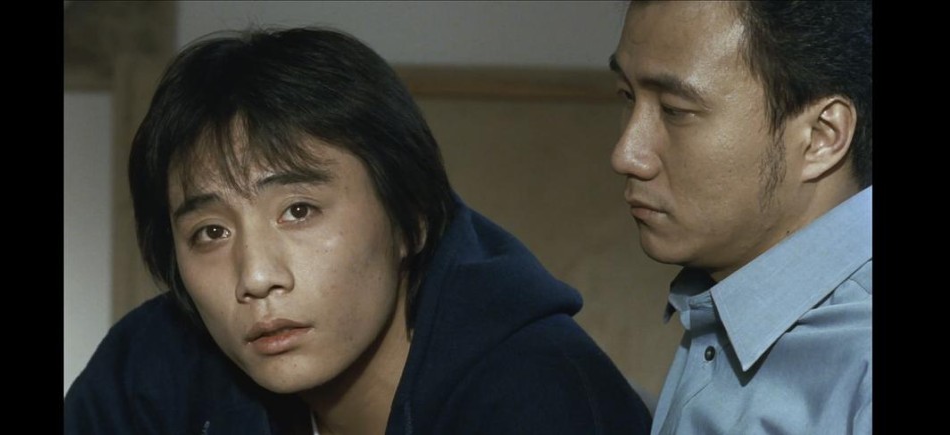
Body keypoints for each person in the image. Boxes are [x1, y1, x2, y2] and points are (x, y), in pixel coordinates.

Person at [64, 27, 652, 434]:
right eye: (211, 232)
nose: (257, 276)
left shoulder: (539, 397)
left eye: (299, 211)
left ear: (412, 218)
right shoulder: (152, 368)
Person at [608, 1, 872, 433]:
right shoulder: (722, 294)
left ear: (821, 137)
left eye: (675, 110)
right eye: (627, 96)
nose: (626, 154)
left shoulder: (861, 363)